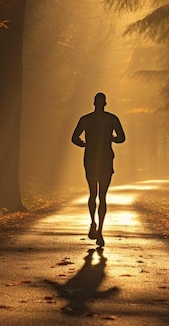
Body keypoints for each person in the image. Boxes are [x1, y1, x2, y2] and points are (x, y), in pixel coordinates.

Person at [71, 92, 125, 247]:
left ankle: (92, 223)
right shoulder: (112, 119)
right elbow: (122, 138)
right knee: (102, 196)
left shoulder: (86, 119)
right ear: (105, 103)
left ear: (94, 103)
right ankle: (100, 230)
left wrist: (84, 144)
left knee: (92, 193)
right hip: (106, 159)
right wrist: (110, 138)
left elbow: (74, 138)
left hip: (90, 159)